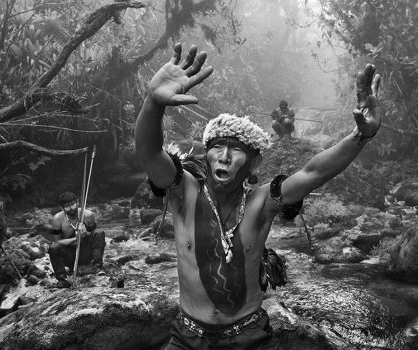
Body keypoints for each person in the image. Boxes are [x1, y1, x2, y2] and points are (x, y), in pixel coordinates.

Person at [135, 43, 381, 349]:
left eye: (236, 149)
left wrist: (362, 135)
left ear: (254, 163)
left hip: (248, 337)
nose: (224, 156)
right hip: (187, 337)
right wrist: (153, 102)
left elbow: (313, 173)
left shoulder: (262, 202)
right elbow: (149, 152)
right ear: (206, 153)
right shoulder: (182, 191)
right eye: (216, 146)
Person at [46, 192, 106, 288]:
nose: (72, 208)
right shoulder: (57, 219)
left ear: (77, 202)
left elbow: (93, 235)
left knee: (99, 233)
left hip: (86, 252)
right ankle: (62, 279)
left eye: (73, 204)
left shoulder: (87, 215)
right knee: (53, 247)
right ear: (62, 208)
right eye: (67, 206)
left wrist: (85, 233)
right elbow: (58, 242)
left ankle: (97, 267)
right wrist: (76, 238)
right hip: (69, 256)